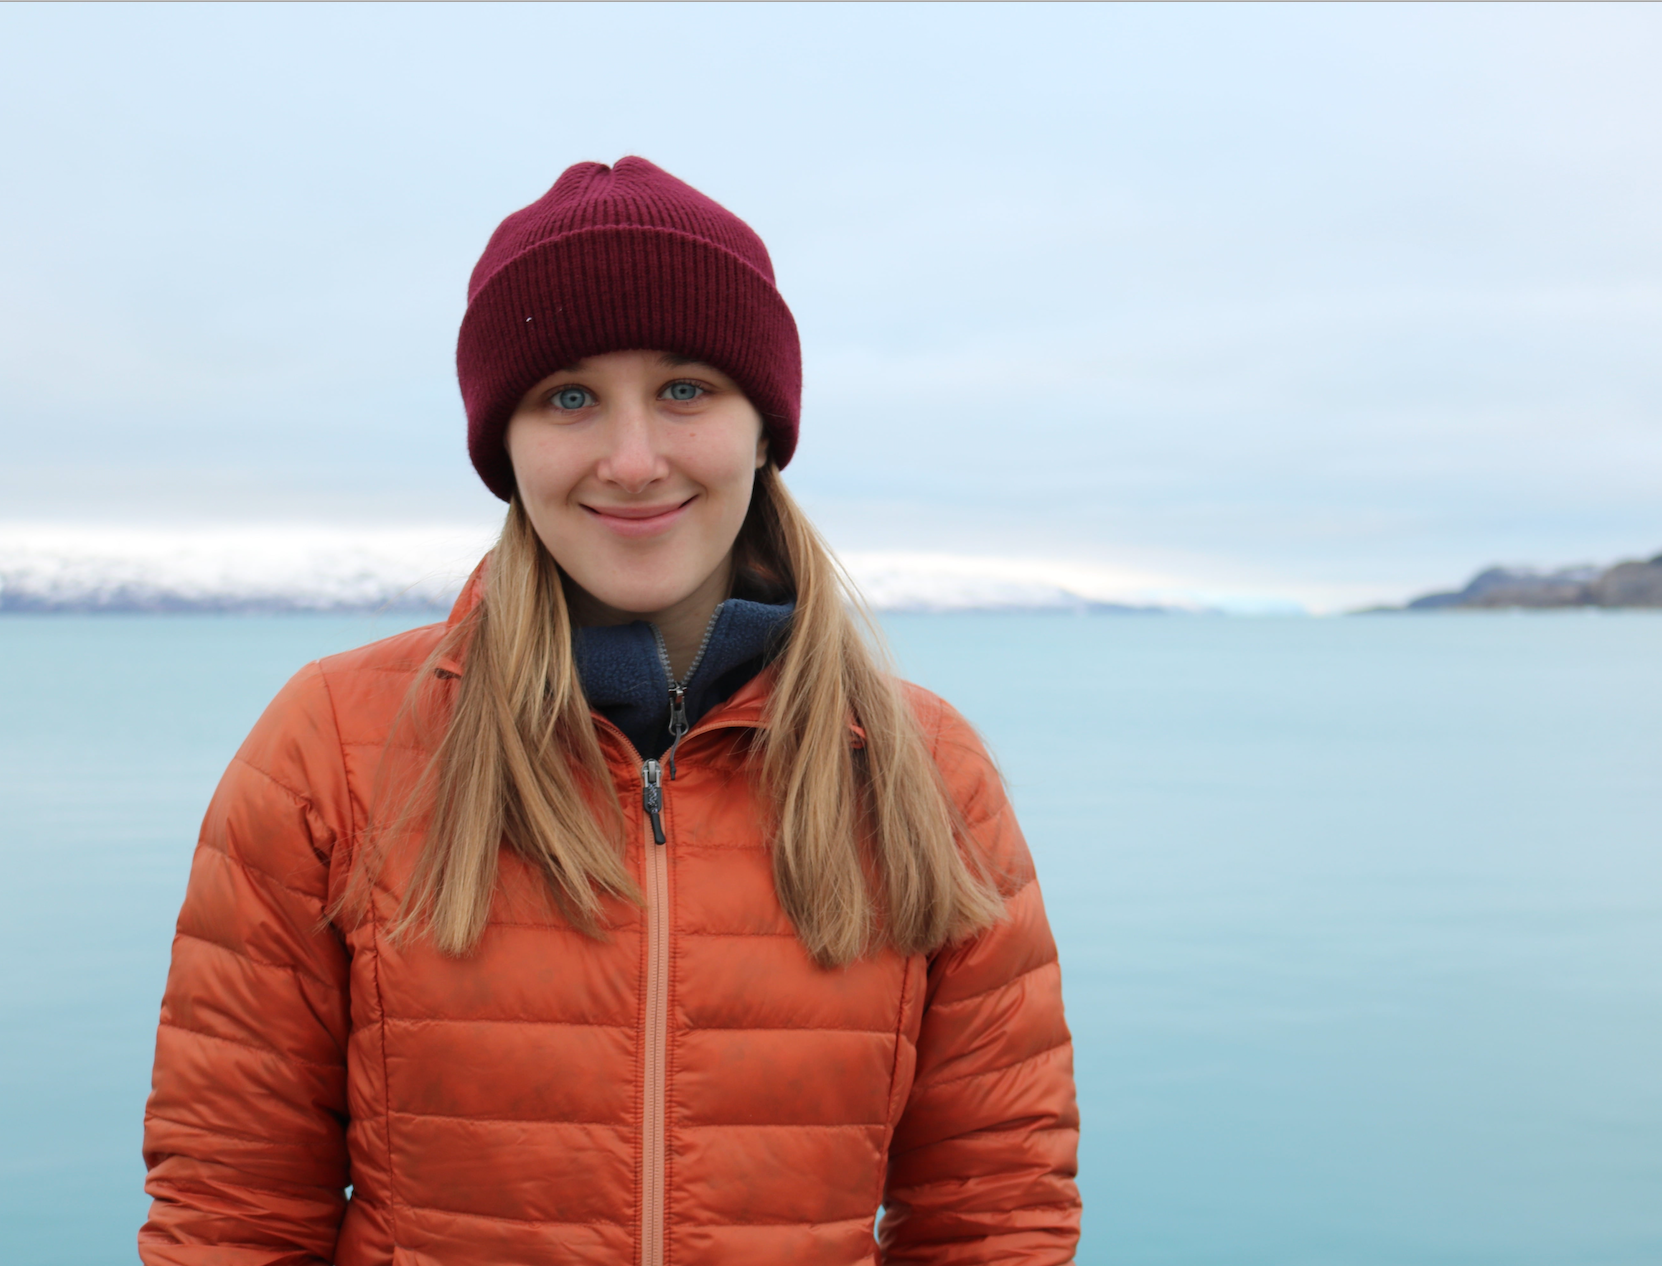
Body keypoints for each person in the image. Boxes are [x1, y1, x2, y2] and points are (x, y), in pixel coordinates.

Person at [139, 157, 1081, 1265]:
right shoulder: (336, 746)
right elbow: (232, 1208)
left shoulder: (921, 767)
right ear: (505, 446)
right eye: (569, 397)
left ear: (766, 428)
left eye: (686, 389)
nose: (633, 462)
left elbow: (995, 1210)